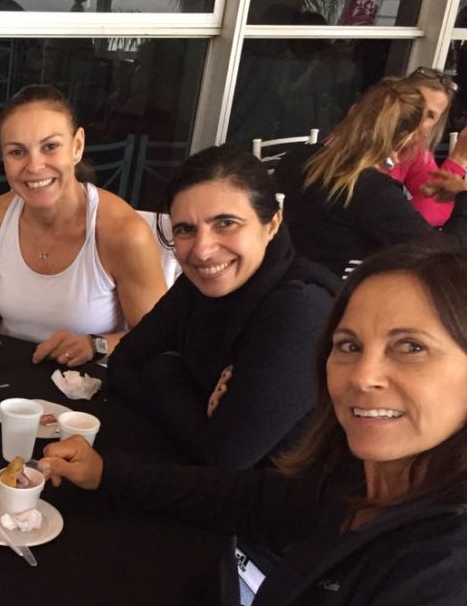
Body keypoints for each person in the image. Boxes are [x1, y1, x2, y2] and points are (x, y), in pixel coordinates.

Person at [42, 239, 467, 606]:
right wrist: (109, 474)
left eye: (410, 347)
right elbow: (249, 497)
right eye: (348, 345)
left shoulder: (448, 578)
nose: (364, 376)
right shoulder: (363, 486)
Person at [108, 145, 339, 469]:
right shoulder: (200, 283)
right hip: (192, 477)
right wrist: (193, 398)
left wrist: (162, 368)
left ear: (272, 224)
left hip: (281, 494)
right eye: (186, 229)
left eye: (226, 223)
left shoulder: (301, 309)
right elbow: (122, 365)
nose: (202, 250)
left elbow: (226, 456)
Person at [0, 84, 167, 366]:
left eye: (50, 147)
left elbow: (158, 338)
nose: (34, 166)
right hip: (6, 374)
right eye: (17, 152)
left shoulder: (124, 232)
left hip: (89, 384)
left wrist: (96, 344)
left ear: (77, 146)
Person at [275, 77, 467, 279]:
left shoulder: (296, 157)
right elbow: (444, 258)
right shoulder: (373, 191)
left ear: (353, 112)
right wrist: (466, 197)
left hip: (277, 282)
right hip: (328, 291)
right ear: (408, 137)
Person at [392, 66, 467, 226]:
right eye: (416, 107)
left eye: (429, 115)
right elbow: (406, 225)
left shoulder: (411, 150)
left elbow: (439, 205)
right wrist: (459, 159)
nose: (417, 118)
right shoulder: (365, 150)